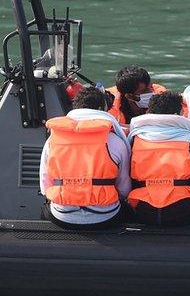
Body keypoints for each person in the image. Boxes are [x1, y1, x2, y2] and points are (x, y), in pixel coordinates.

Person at [39, 86, 131, 229]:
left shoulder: (52, 140)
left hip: (62, 215)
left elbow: (45, 186)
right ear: (101, 108)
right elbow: (124, 189)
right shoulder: (115, 141)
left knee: (45, 209)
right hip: (106, 215)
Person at [126, 91, 190, 226]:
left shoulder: (135, 138)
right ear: (178, 113)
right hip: (182, 209)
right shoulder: (189, 141)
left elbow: (130, 183)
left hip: (144, 210)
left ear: (149, 113)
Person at [106, 65, 175, 126]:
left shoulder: (161, 95)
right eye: (144, 91)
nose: (150, 92)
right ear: (129, 96)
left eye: (150, 87)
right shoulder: (109, 104)